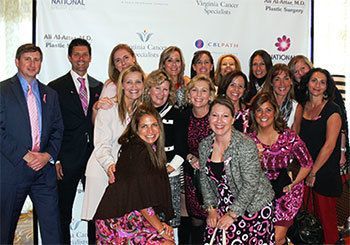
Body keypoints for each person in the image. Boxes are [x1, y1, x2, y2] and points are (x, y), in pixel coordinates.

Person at [0, 44, 64, 244]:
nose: (32, 63)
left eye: (36, 59)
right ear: (17, 62)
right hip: (13, 170)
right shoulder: (2, 91)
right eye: (27, 59)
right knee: (4, 230)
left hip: (43, 172)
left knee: (53, 230)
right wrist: (24, 154)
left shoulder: (50, 94)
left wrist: (47, 156)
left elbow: (57, 129)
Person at [93, 104, 175, 244]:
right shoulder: (138, 152)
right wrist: (160, 229)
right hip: (116, 221)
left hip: (134, 215)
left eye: (154, 125)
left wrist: (161, 224)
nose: (150, 130)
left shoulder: (152, 149)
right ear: (136, 130)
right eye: (144, 126)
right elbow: (142, 200)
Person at [48, 38, 103, 244]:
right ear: (70, 57)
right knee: (63, 212)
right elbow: (51, 126)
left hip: (94, 159)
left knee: (95, 212)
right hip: (67, 159)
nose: (81, 58)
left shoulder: (98, 86)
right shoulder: (55, 87)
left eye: (85, 54)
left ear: (90, 58)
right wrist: (57, 159)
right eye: (77, 54)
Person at [199, 96, 275, 244]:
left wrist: (232, 214)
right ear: (208, 118)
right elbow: (204, 179)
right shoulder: (204, 145)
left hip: (253, 206)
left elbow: (250, 185)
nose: (219, 121)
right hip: (224, 204)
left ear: (233, 119)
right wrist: (211, 208)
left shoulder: (245, 145)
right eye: (215, 115)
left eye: (225, 116)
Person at [82, 64, 145, 222]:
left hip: (125, 175)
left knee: (120, 228)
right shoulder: (109, 107)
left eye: (138, 82)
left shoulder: (142, 111)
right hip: (103, 171)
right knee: (100, 226)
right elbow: (102, 144)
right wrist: (110, 166)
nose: (134, 87)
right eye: (129, 82)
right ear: (122, 85)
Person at [249, 93, 313, 245]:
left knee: (276, 237)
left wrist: (293, 183)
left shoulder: (288, 136)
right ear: (253, 114)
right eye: (259, 110)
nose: (263, 115)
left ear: (275, 112)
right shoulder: (248, 140)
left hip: (286, 194)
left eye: (268, 110)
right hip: (260, 195)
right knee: (264, 238)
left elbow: (307, 163)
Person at [299, 68, 343, 244]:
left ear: (327, 87)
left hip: (323, 173)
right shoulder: (302, 107)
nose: (317, 85)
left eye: (322, 82)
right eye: (314, 80)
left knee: (326, 222)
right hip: (304, 171)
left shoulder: (332, 110)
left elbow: (329, 145)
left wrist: (313, 171)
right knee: (306, 223)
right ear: (307, 83)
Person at [144, 69, 185, 243]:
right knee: (149, 224)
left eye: (166, 89)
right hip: (146, 178)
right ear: (149, 89)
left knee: (170, 224)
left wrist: (168, 168)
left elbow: (182, 148)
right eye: (157, 88)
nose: (161, 93)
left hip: (170, 176)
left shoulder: (177, 114)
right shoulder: (141, 113)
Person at [289, 56, 349, 169]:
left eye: (303, 68)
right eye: (296, 72)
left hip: (327, 159)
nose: (300, 73)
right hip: (305, 160)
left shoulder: (331, 98)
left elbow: (342, 124)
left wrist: (342, 151)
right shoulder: (297, 97)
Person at [178, 75, 216, 244]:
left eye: (204, 91)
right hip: (193, 177)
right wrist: (190, 157)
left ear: (211, 95)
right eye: (194, 90)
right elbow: (179, 146)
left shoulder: (218, 114)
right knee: (197, 221)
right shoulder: (183, 116)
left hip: (217, 176)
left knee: (216, 219)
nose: (198, 95)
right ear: (189, 94)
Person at [92, 44, 138, 121]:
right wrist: (95, 108)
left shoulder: (147, 81)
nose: (123, 63)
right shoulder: (110, 86)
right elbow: (98, 122)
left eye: (126, 58)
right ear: (115, 66)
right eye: (118, 60)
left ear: (133, 58)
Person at [262, 63, 302, 132]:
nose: (282, 83)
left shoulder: (297, 108)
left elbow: (295, 139)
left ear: (291, 82)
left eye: (286, 79)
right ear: (271, 83)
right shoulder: (262, 103)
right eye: (277, 79)